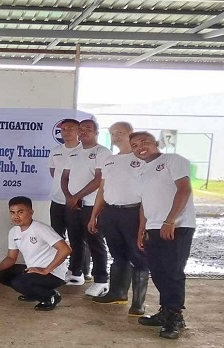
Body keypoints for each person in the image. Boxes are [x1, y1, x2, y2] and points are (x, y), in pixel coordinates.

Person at [130, 131, 196, 340]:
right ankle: (165, 311)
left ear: (156, 143)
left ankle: (175, 316)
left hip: (176, 226)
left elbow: (184, 190)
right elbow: (145, 203)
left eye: (144, 142)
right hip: (153, 227)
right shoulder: (142, 170)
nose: (140, 147)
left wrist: (170, 221)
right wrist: (141, 230)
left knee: (172, 272)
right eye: (134, 145)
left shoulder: (172, 160)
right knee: (158, 272)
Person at [87, 121, 150, 316]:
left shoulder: (143, 159)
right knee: (118, 255)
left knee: (138, 256)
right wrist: (94, 215)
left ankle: (138, 304)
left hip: (134, 212)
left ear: (131, 133)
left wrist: (145, 221)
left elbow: (150, 190)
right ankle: (117, 293)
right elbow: (102, 189)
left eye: (120, 132)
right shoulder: (109, 160)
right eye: (112, 133)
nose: (116, 136)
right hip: (110, 213)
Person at [0, 197, 71, 311]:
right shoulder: (13, 232)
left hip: (54, 273)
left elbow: (65, 249)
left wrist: (46, 270)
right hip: (33, 270)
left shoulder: (40, 228)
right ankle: (32, 293)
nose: (16, 216)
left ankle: (50, 296)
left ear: (31, 212)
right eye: (12, 212)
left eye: (20, 212)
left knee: (19, 282)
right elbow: (11, 258)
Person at [61, 118, 111, 296]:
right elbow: (64, 177)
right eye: (81, 129)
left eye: (88, 129)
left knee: (95, 242)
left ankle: (101, 280)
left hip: (92, 205)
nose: (83, 132)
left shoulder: (102, 152)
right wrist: (69, 197)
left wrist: (76, 197)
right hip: (73, 205)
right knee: (75, 240)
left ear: (96, 132)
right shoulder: (74, 153)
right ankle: (75, 273)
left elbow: (99, 180)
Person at [48, 118, 91, 284]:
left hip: (76, 201)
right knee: (56, 236)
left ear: (78, 131)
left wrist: (73, 195)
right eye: (63, 129)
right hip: (57, 200)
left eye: (70, 128)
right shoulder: (56, 151)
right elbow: (54, 172)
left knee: (76, 237)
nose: (66, 132)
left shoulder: (84, 151)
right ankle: (58, 269)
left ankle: (77, 270)